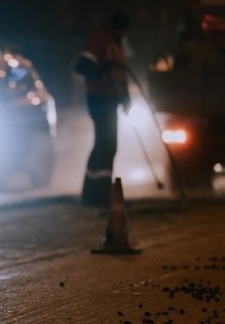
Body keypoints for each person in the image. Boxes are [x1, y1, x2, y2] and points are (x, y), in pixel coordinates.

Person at [75, 11, 132, 207]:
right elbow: (82, 66)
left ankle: (91, 192)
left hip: (110, 99)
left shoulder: (115, 44)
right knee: (107, 144)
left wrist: (125, 99)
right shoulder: (101, 40)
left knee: (103, 143)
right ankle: (100, 194)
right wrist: (103, 70)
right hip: (99, 98)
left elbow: (120, 75)